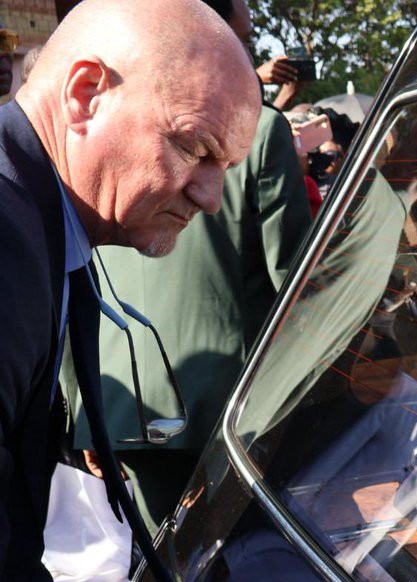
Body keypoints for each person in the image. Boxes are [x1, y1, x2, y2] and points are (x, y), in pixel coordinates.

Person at [0, 0, 260, 582]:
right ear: (86, 94)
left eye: (226, 165)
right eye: (193, 147)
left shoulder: (37, 221)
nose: (211, 195)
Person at [67, 0, 312, 533]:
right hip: (232, 414)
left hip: (118, 403)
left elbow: (76, 272)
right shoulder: (262, 131)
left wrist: (84, 405)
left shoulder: (107, 126)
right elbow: (295, 284)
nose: (249, 53)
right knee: (241, 566)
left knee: (157, 559)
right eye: (240, 37)